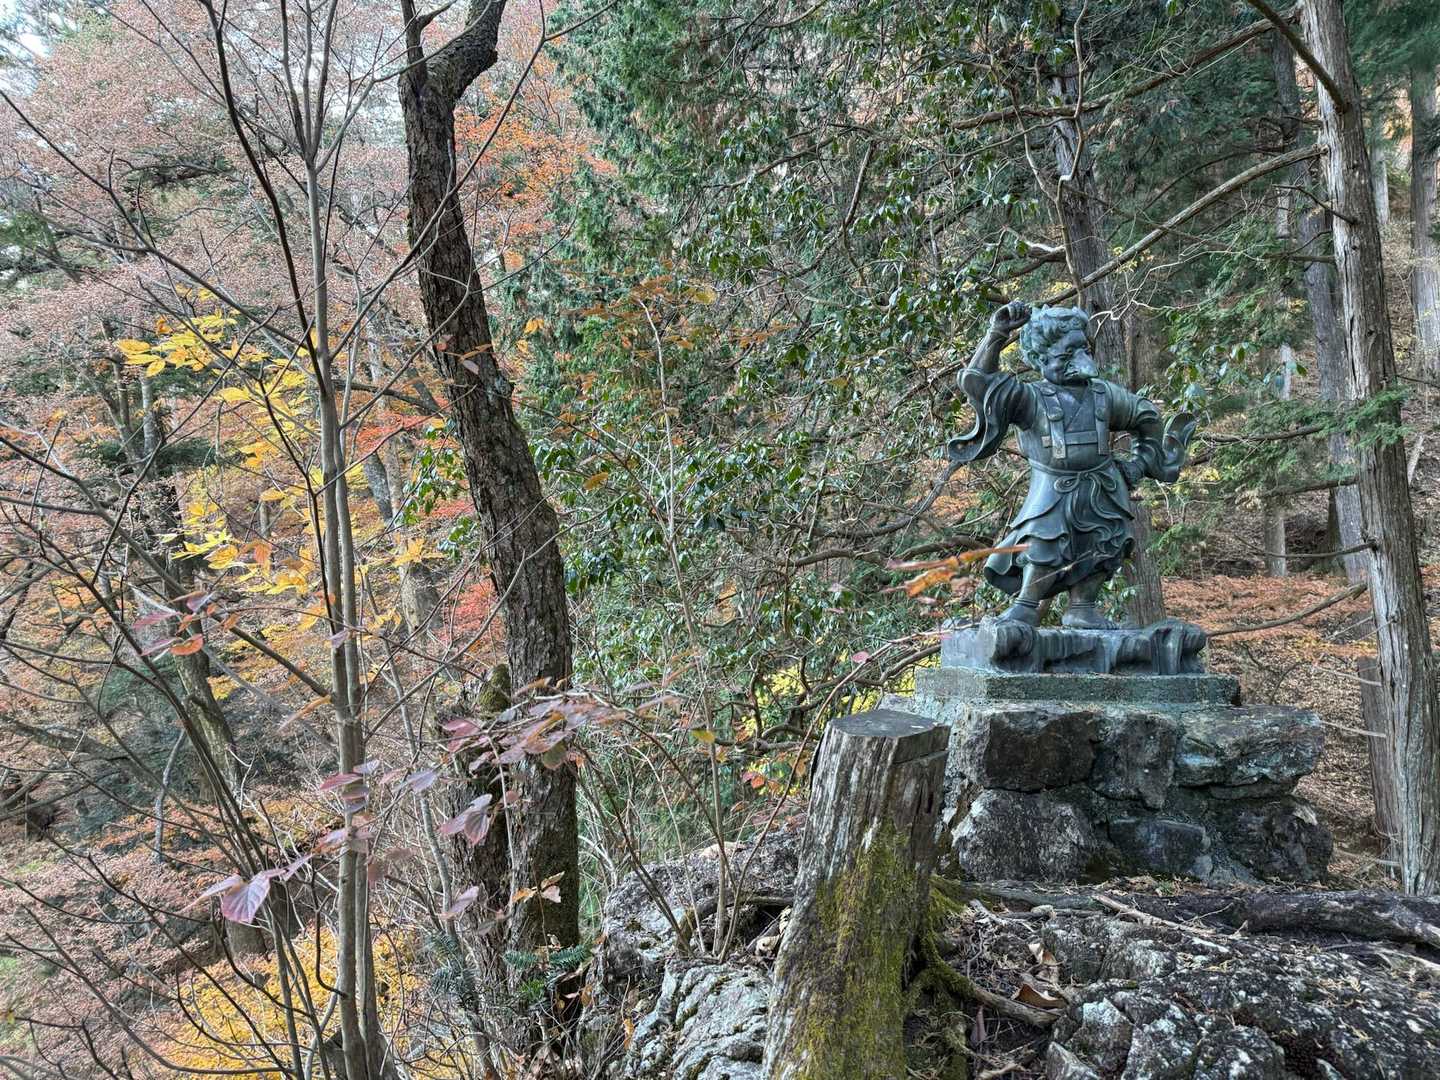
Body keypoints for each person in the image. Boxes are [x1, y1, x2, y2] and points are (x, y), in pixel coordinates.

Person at [948, 301, 1194, 628]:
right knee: (1042, 543)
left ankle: (1083, 606)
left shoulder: (1104, 394)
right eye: (1065, 355)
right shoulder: (1029, 398)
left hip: (1102, 487)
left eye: (1082, 349)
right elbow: (979, 383)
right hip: (1052, 489)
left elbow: (1146, 416)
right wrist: (996, 334)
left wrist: (1138, 465)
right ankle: (1026, 604)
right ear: (1039, 359)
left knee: (1105, 543)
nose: (1079, 361)